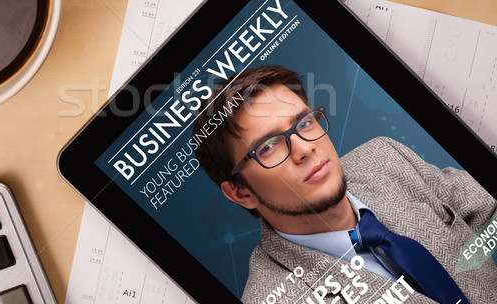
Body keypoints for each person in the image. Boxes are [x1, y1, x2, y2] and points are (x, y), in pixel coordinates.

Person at [193, 65, 497, 304]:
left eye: (304, 123)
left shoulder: (382, 157)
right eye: (268, 146)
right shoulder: (271, 297)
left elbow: (485, 204)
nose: (303, 148)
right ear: (240, 192)